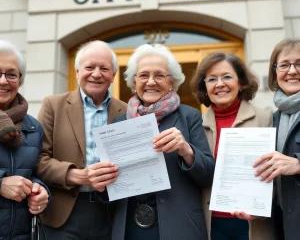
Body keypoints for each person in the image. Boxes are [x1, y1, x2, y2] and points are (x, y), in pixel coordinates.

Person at [108, 44, 215, 240]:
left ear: (171, 82)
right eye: (143, 75)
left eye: (159, 75)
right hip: (130, 228)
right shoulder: (120, 123)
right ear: (133, 82)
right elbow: (110, 186)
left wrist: (186, 151)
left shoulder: (189, 116)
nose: (150, 82)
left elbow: (209, 174)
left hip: (179, 225)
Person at [36, 40, 127, 239]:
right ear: (77, 72)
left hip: (111, 214)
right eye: (89, 67)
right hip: (63, 214)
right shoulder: (53, 106)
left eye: (104, 68)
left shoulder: (126, 111)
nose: (96, 73)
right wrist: (79, 176)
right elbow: (38, 159)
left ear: (113, 75)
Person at [190, 52, 273, 240]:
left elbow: (276, 173)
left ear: (242, 82)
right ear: (205, 87)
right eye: (212, 79)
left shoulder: (265, 118)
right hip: (211, 223)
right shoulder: (196, 125)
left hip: (252, 223)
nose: (220, 84)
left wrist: (261, 205)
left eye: (227, 77)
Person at [0, 40, 49, 239]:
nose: (3, 80)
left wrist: (41, 191)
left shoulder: (33, 127)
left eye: (11, 74)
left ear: (20, 80)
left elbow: (35, 172)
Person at [253, 39, 300, 240]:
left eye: (299, 63)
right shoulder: (273, 118)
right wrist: (254, 206)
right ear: (274, 72)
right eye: (284, 65)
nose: (292, 71)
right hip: (284, 226)